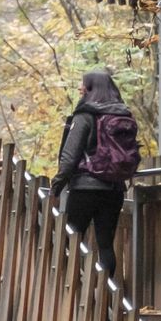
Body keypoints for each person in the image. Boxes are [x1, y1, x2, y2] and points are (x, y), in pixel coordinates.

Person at [49, 69, 139, 257]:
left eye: (84, 85)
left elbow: (69, 156)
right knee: (105, 244)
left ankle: (71, 284)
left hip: (85, 189)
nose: (80, 88)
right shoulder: (123, 116)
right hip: (114, 190)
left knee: (71, 241)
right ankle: (106, 286)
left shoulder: (85, 116)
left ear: (91, 88)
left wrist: (56, 187)